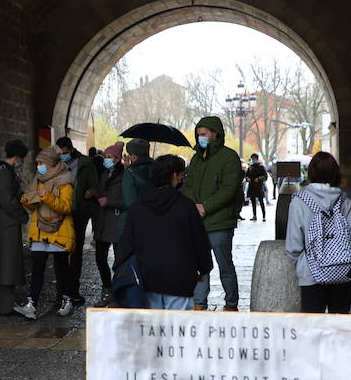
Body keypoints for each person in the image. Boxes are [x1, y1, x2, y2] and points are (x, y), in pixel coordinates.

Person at [115, 154, 212, 310]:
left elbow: (126, 243)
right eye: (181, 174)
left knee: (151, 330)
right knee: (177, 330)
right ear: (174, 175)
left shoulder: (139, 206)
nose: (182, 179)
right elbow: (200, 242)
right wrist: (204, 268)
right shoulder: (187, 207)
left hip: (146, 279)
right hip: (180, 280)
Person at [285, 150, 351, 313]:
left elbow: (293, 246)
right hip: (341, 274)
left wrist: (304, 263)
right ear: (335, 173)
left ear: (311, 173)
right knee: (339, 328)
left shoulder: (299, 201)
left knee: (312, 331)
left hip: (310, 275)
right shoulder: (344, 200)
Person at [184, 115, 243, 311]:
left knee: (224, 265)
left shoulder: (229, 157)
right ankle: (199, 303)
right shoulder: (196, 158)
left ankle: (231, 303)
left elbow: (229, 189)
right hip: (198, 222)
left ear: (215, 134)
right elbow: (188, 184)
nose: (200, 137)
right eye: (198, 134)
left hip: (220, 222)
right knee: (199, 266)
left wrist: (206, 207)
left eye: (203, 134)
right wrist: (194, 205)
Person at [15, 144, 78, 319]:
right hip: (40, 230)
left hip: (59, 229)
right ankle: (31, 304)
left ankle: (67, 300)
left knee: (62, 268)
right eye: (38, 163)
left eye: (42, 163)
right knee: (37, 268)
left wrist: (46, 196)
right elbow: (32, 205)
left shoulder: (65, 181)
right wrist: (26, 199)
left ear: (51, 164)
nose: (39, 166)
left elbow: (66, 207)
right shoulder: (38, 179)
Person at [57, 136, 100, 304]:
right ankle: (60, 293)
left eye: (64, 153)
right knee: (60, 254)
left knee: (75, 254)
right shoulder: (56, 164)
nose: (62, 156)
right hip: (60, 215)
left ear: (71, 149)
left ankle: (73, 290)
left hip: (79, 214)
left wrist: (90, 192)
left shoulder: (86, 164)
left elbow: (95, 186)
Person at [0, 139, 29, 304]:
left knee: (5, 264)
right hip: (7, 221)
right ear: (17, 157)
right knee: (6, 265)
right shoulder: (4, 173)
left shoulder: (6, 172)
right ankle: (4, 304)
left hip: (6, 220)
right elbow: (8, 200)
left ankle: (4, 303)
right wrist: (22, 215)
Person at [91, 142, 125, 304]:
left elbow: (127, 199)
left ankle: (119, 291)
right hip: (102, 222)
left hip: (116, 222)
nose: (106, 160)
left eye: (110, 157)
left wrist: (109, 201)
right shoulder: (103, 174)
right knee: (100, 258)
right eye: (105, 157)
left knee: (119, 260)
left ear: (117, 159)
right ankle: (107, 287)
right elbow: (99, 191)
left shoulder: (125, 175)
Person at [118, 138, 152, 238]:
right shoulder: (157, 170)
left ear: (133, 156)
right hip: (152, 221)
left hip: (133, 223)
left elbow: (128, 201)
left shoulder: (130, 173)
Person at [245, 153, 269, 221]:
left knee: (261, 202)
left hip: (259, 187)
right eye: (252, 159)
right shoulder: (250, 167)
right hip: (252, 186)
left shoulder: (261, 167)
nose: (253, 160)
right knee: (253, 202)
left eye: (254, 159)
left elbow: (265, 176)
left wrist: (259, 178)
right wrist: (247, 178)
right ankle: (254, 215)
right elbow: (246, 176)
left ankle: (264, 216)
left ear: (257, 159)